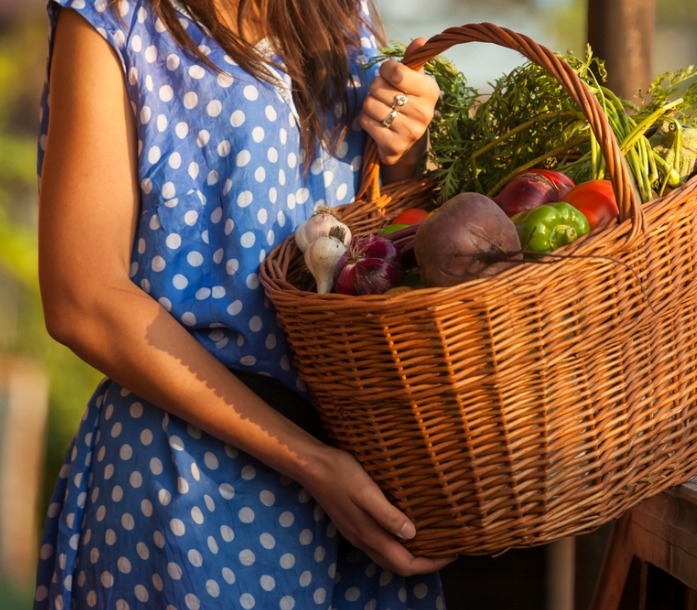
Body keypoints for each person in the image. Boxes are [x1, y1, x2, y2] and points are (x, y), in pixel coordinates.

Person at [33, 0, 452, 607]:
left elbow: (367, 233)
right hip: (186, 487)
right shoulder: (116, 16)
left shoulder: (340, 13)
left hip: (357, 492)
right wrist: (310, 463)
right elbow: (82, 297)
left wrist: (405, 147)